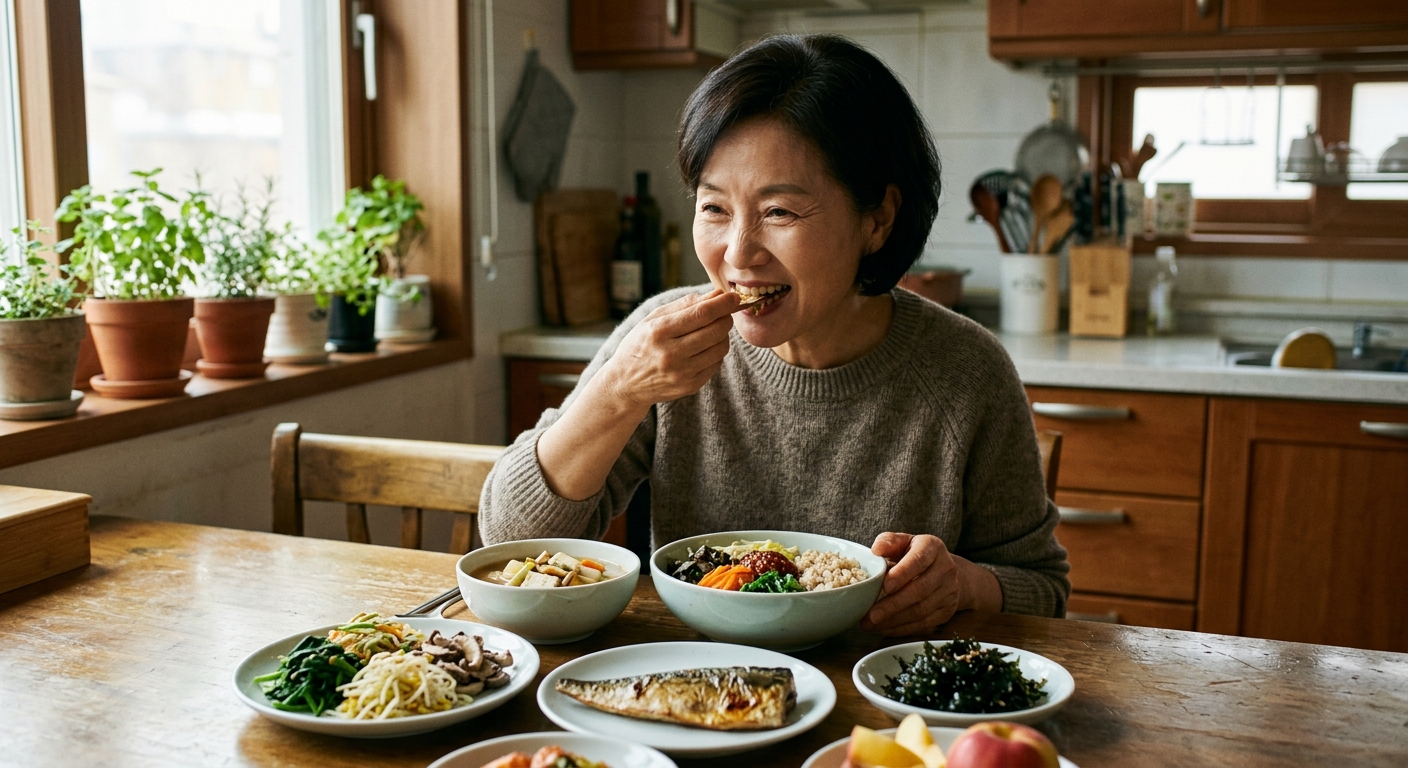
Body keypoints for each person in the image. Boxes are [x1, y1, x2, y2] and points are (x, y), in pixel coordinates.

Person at [480, 34, 1069, 634]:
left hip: (882, 710)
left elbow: (1042, 589)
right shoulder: (661, 342)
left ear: (878, 219)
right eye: (714, 209)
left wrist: (964, 584)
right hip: (696, 696)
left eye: (779, 212)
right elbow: (507, 542)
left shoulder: (967, 372)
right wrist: (618, 392)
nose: (738, 252)